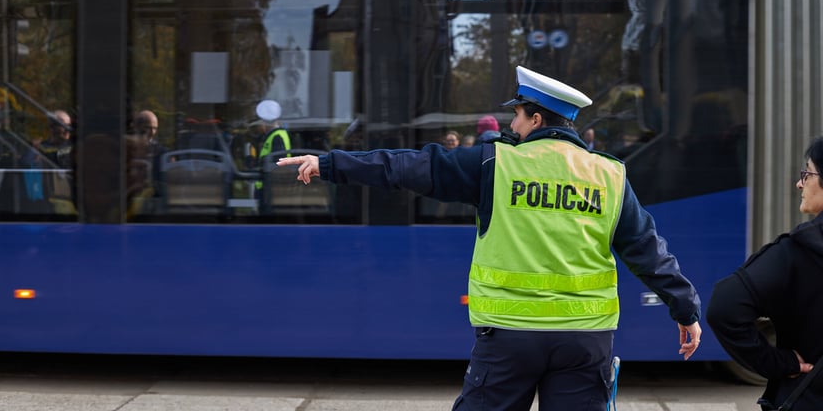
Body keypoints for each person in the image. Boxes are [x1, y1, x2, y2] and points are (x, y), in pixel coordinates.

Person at [278, 65, 702, 411]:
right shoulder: (608, 174)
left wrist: (329, 163)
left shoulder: (493, 163)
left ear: (536, 119)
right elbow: (646, 250)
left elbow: (407, 167)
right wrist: (684, 309)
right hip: (585, 339)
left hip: (509, 337)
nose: (511, 123)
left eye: (517, 115)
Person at [707, 136, 823, 411]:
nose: (799, 183)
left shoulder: (800, 251)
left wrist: (779, 363)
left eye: (807, 173)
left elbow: (724, 308)